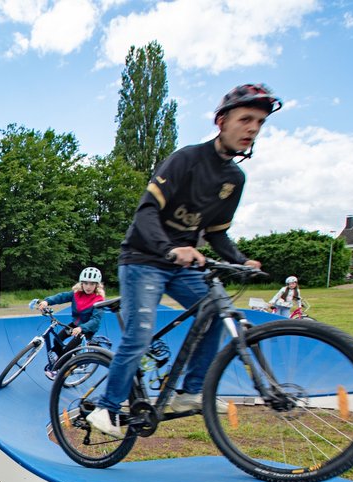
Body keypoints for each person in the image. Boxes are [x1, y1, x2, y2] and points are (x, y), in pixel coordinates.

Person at [86, 84, 278, 439]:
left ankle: (190, 391)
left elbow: (217, 233)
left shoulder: (234, 179)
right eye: (246, 119)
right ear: (222, 121)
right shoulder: (186, 159)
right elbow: (146, 213)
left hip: (182, 265)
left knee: (216, 314)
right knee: (140, 334)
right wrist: (170, 249)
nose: (253, 129)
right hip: (143, 258)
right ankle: (106, 407)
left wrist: (241, 259)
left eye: (260, 123)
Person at [34, 266, 107, 380]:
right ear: (81, 283)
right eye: (86, 283)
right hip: (75, 324)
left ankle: (59, 370)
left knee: (69, 349)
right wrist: (47, 301)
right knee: (56, 340)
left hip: (87, 329)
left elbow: (95, 320)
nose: (88, 286)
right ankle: (61, 359)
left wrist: (82, 328)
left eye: (92, 284)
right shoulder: (76, 294)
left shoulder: (98, 300)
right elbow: (61, 297)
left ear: (97, 285)